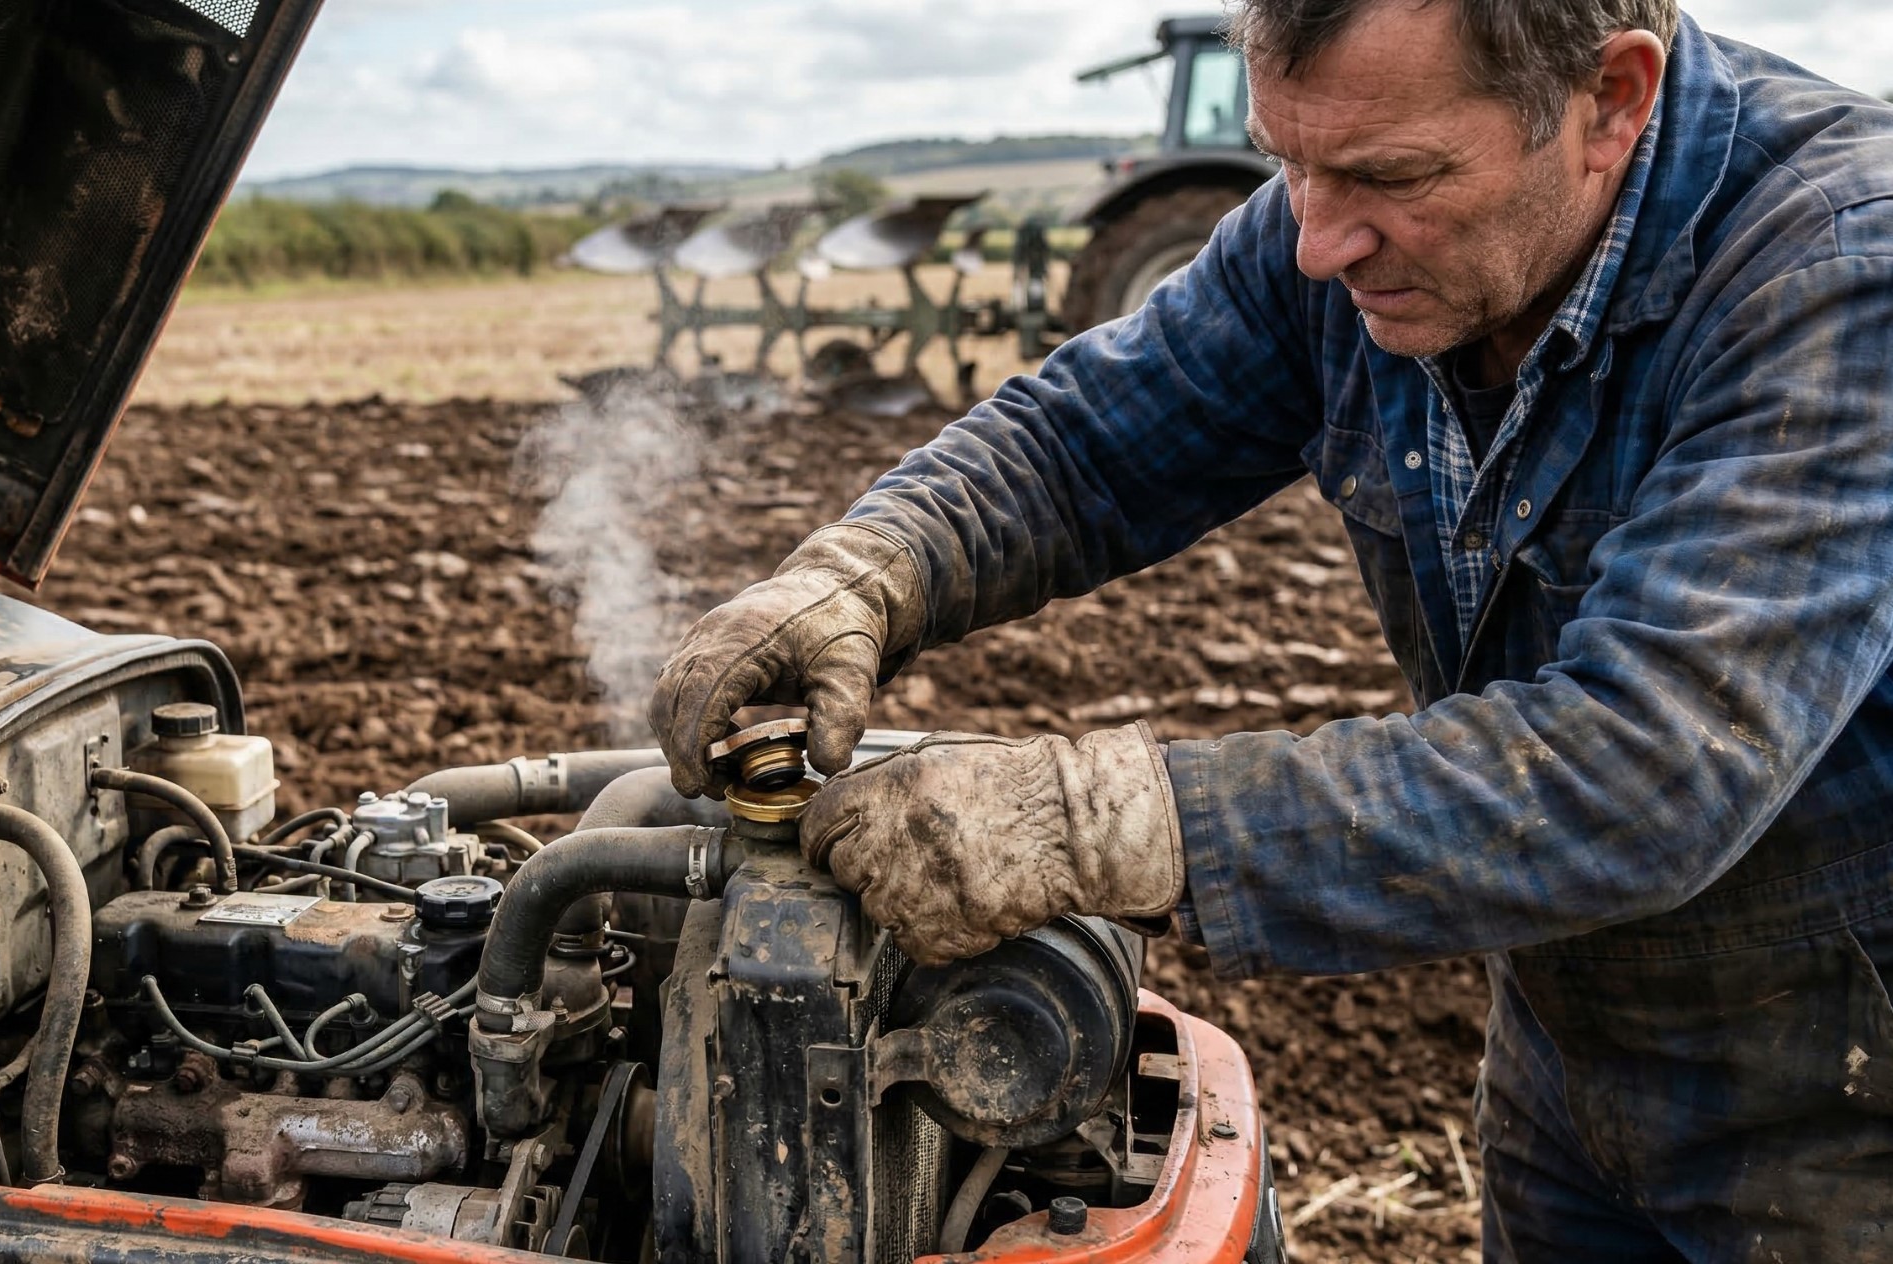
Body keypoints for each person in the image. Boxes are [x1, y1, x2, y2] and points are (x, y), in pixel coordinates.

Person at [649, 1, 1893, 1257]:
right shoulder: (1343, 238)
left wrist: (1111, 822)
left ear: (1611, 102)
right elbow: (1088, 441)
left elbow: (1647, 767)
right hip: (1570, 1060)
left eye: (1389, 175)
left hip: (1838, 1100)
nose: (1313, 242)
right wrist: (871, 567)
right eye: (1286, 161)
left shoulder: (1838, 270)